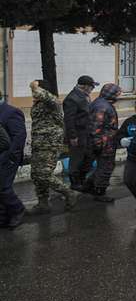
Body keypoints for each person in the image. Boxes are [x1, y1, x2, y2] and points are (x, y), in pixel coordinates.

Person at [27, 80, 78, 215]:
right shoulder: (39, 104)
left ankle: (68, 192)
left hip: (50, 143)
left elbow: (49, 98)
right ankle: (43, 203)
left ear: (43, 91)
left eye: (37, 91)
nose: (33, 93)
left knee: (44, 174)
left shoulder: (52, 102)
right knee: (36, 175)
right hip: (39, 143)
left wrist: (35, 87)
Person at [85, 83, 122, 202]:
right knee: (106, 167)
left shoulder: (102, 103)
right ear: (111, 94)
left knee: (104, 166)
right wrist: (98, 144)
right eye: (117, 93)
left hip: (105, 142)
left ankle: (89, 185)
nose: (119, 96)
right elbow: (96, 127)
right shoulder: (102, 106)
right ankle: (99, 192)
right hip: (105, 144)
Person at [63, 75, 99, 192]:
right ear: (85, 86)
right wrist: (73, 136)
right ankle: (75, 183)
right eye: (92, 87)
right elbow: (69, 120)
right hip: (78, 134)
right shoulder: (72, 98)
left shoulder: (84, 96)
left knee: (89, 156)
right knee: (76, 158)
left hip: (87, 132)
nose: (92, 89)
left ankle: (82, 179)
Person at [0, 93, 27, 228]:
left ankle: (18, 209)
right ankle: (3, 216)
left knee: (3, 187)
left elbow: (19, 137)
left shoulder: (11, 112)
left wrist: (10, 157)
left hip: (8, 158)